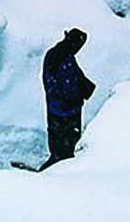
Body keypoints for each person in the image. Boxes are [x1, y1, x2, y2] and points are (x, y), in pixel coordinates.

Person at [39, 27, 95, 170]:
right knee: (68, 150)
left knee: (56, 144)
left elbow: (48, 78)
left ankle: (53, 163)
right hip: (68, 112)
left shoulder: (52, 53)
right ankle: (60, 173)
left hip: (53, 107)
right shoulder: (66, 60)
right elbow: (70, 89)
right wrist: (80, 95)